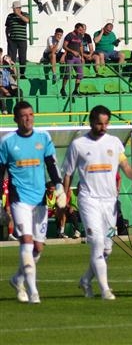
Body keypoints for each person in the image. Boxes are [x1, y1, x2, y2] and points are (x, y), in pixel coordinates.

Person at [62, 105, 132, 300]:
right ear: (91, 122)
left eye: (106, 123)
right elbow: (67, 174)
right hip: (89, 200)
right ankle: (105, 290)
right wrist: (64, 198)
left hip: (110, 202)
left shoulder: (115, 142)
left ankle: (86, 280)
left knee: (107, 248)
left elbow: (125, 167)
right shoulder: (78, 145)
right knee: (97, 243)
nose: (103, 127)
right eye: (99, 123)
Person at [1, 101, 63, 303]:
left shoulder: (43, 137)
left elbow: (51, 164)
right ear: (16, 119)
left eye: (31, 115)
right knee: (26, 243)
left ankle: (17, 278)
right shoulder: (7, 142)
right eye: (24, 116)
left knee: (38, 248)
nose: (28, 119)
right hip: (19, 200)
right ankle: (32, 291)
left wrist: (59, 185)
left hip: (40, 200)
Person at [4, 1, 29, 78]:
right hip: (12, 40)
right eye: (13, 8)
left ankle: (22, 74)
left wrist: (18, 14)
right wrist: (7, 38)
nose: (13, 10)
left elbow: (27, 20)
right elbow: (7, 27)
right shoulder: (10, 16)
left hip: (22, 40)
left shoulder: (25, 14)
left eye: (15, 8)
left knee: (23, 58)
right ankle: (12, 74)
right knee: (11, 58)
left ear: (19, 8)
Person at [60, 23, 85, 97]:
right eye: (80, 30)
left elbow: (80, 46)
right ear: (76, 28)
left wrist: (82, 56)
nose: (81, 31)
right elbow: (64, 46)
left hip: (77, 58)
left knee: (80, 74)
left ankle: (75, 90)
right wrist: (72, 51)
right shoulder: (69, 35)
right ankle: (63, 88)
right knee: (68, 73)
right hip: (70, 57)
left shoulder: (80, 36)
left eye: (82, 30)